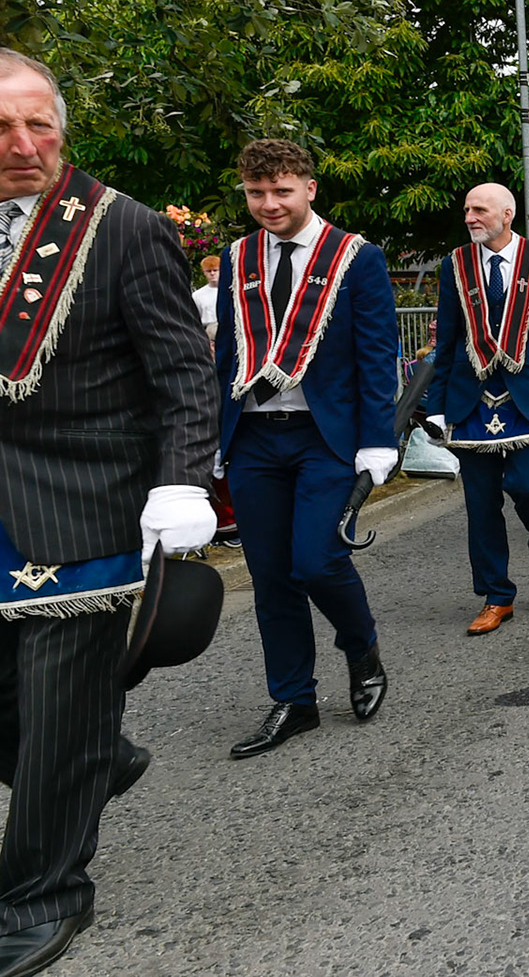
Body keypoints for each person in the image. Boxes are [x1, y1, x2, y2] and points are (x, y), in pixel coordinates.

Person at [0, 50, 218, 975]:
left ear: (63, 127)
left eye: (36, 124)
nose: (20, 146)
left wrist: (184, 480)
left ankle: (42, 895)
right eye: (0, 129)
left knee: (54, 712)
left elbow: (182, 370)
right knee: (42, 721)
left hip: (85, 505)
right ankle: (101, 755)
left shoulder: (121, 227)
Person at [214, 138, 400, 758]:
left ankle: (360, 646)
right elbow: (225, 357)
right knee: (270, 577)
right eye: (256, 193)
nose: (268, 204)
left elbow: (376, 357)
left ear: (310, 189)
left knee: (316, 560)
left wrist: (378, 439)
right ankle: (294, 700)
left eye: (281, 191)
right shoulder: (236, 256)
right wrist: (214, 440)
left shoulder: (356, 258)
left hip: (327, 439)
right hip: (255, 439)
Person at [422, 184, 529, 636]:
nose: (470, 217)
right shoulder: (455, 264)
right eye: (466, 210)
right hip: (469, 398)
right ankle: (497, 596)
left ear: (508, 213)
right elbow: (448, 339)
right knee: (480, 504)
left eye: (480, 209)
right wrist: (435, 406)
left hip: (528, 396)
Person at [192, 253, 221, 339]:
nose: (212, 274)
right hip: (206, 331)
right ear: (204, 272)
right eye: (209, 271)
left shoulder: (230, 291)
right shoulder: (197, 295)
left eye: (215, 270)